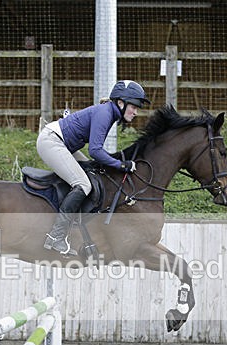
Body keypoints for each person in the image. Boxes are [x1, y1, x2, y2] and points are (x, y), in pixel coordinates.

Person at [36, 79, 150, 256]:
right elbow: (95, 150)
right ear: (121, 103)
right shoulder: (105, 113)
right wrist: (121, 165)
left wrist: (116, 163)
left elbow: (96, 153)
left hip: (62, 144)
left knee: (92, 172)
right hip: (52, 141)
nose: (135, 112)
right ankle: (56, 236)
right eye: (134, 106)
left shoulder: (110, 112)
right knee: (83, 185)